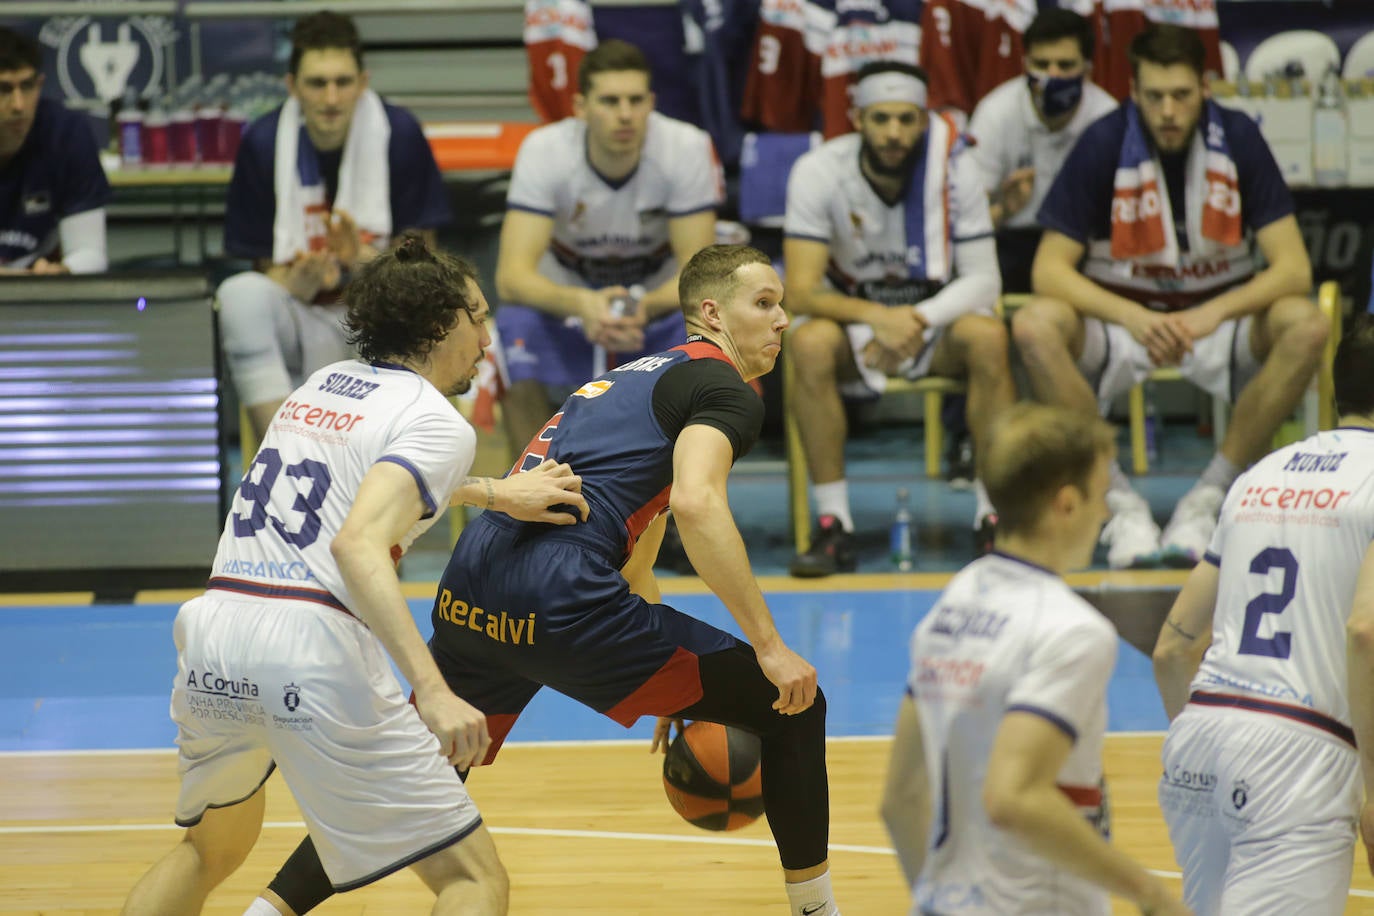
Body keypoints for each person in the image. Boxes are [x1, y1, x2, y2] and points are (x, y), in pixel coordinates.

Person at [244, 244, 845, 916]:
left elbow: (640, 535)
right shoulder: (724, 387)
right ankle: (818, 912)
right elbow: (695, 504)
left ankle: (265, 912)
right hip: (563, 597)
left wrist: (676, 673)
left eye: (782, 304)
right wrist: (767, 645)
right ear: (712, 313)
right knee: (793, 704)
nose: (783, 319)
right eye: (764, 303)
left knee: (410, 784)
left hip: (473, 583)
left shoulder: (629, 379)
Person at [122, 235, 590, 916]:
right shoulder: (437, 420)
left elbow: (364, 485)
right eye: (478, 318)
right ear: (438, 325)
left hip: (214, 634)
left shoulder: (321, 386)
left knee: (209, 851)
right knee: (473, 880)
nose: (488, 341)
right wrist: (430, 691)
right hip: (309, 647)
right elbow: (359, 542)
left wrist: (495, 492)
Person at [1012, 23, 1325, 571]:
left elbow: (1293, 268)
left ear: (1205, 88)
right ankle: (1117, 503)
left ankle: (1209, 498)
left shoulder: (1240, 137)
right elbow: (1048, 271)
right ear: (1134, 92)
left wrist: (1210, 314)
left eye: (1181, 95)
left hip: (1215, 320)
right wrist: (1131, 315)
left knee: (1307, 323)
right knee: (1035, 324)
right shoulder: (1103, 142)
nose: (1168, 111)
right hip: (1124, 322)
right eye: (1154, 97)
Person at [881, 402, 1191, 916]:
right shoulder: (1072, 630)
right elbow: (1014, 797)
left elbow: (899, 799)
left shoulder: (953, 602)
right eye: (1101, 495)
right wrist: (1151, 893)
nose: (1107, 512)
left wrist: (933, 897)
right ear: (1067, 504)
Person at [1151, 316, 1374, 915]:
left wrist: (1209, 754)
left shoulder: (1258, 476)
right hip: (1300, 753)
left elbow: (1171, 650)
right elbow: (1366, 631)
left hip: (1198, 736)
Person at [783, 60, 1014, 577]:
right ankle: (832, 524)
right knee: (809, 344)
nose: (894, 132)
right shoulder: (819, 170)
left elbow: (984, 281)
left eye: (907, 119)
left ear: (925, 120)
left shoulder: (957, 171)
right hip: (852, 325)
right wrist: (875, 317)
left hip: (936, 321)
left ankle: (992, 517)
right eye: (881, 118)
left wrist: (912, 320)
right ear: (857, 117)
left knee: (989, 337)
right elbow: (799, 290)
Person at [217, 11, 452, 443]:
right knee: (239, 295)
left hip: (381, 318)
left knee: (437, 315)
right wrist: (295, 282)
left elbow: (426, 274)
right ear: (292, 86)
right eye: (316, 83)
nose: (331, 97)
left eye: (343, 82)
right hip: (304, 312)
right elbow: (265, 268)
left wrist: (360, 261)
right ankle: (282, 455)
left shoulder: (398, 134)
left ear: (363, 83)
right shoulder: (263, 143)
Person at [493, 38, 721, 456]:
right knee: (513, 326)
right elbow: (511, 277)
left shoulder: (685, 147)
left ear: (652, 102)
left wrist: (644, 306)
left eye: (636, 100)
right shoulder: (545, 151)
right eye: (610, 101)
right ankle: (531, 485)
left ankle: (673, 503)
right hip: (569, 301)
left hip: (657, 302)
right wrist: (581, 303)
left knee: (714, 325)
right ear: (580, 106)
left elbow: (698, 273)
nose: (625, 114)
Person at [967, 7, 1118, 295]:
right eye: (1042, 64)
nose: (1052, 75)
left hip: (1085, 245)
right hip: (1011, 240)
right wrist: (1002, 209)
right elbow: (966, 222)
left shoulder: (1107, 119)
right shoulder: (995, 112)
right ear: (1024, 64)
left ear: (1088, 69)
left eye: (1065, 65)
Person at [0, 27, 109, 275]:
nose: (18, 105)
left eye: (27, 86)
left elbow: (90, 251)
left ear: (40, 85)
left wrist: (63, 271)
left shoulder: (66, 133)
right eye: (3, 89)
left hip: (34, 295)